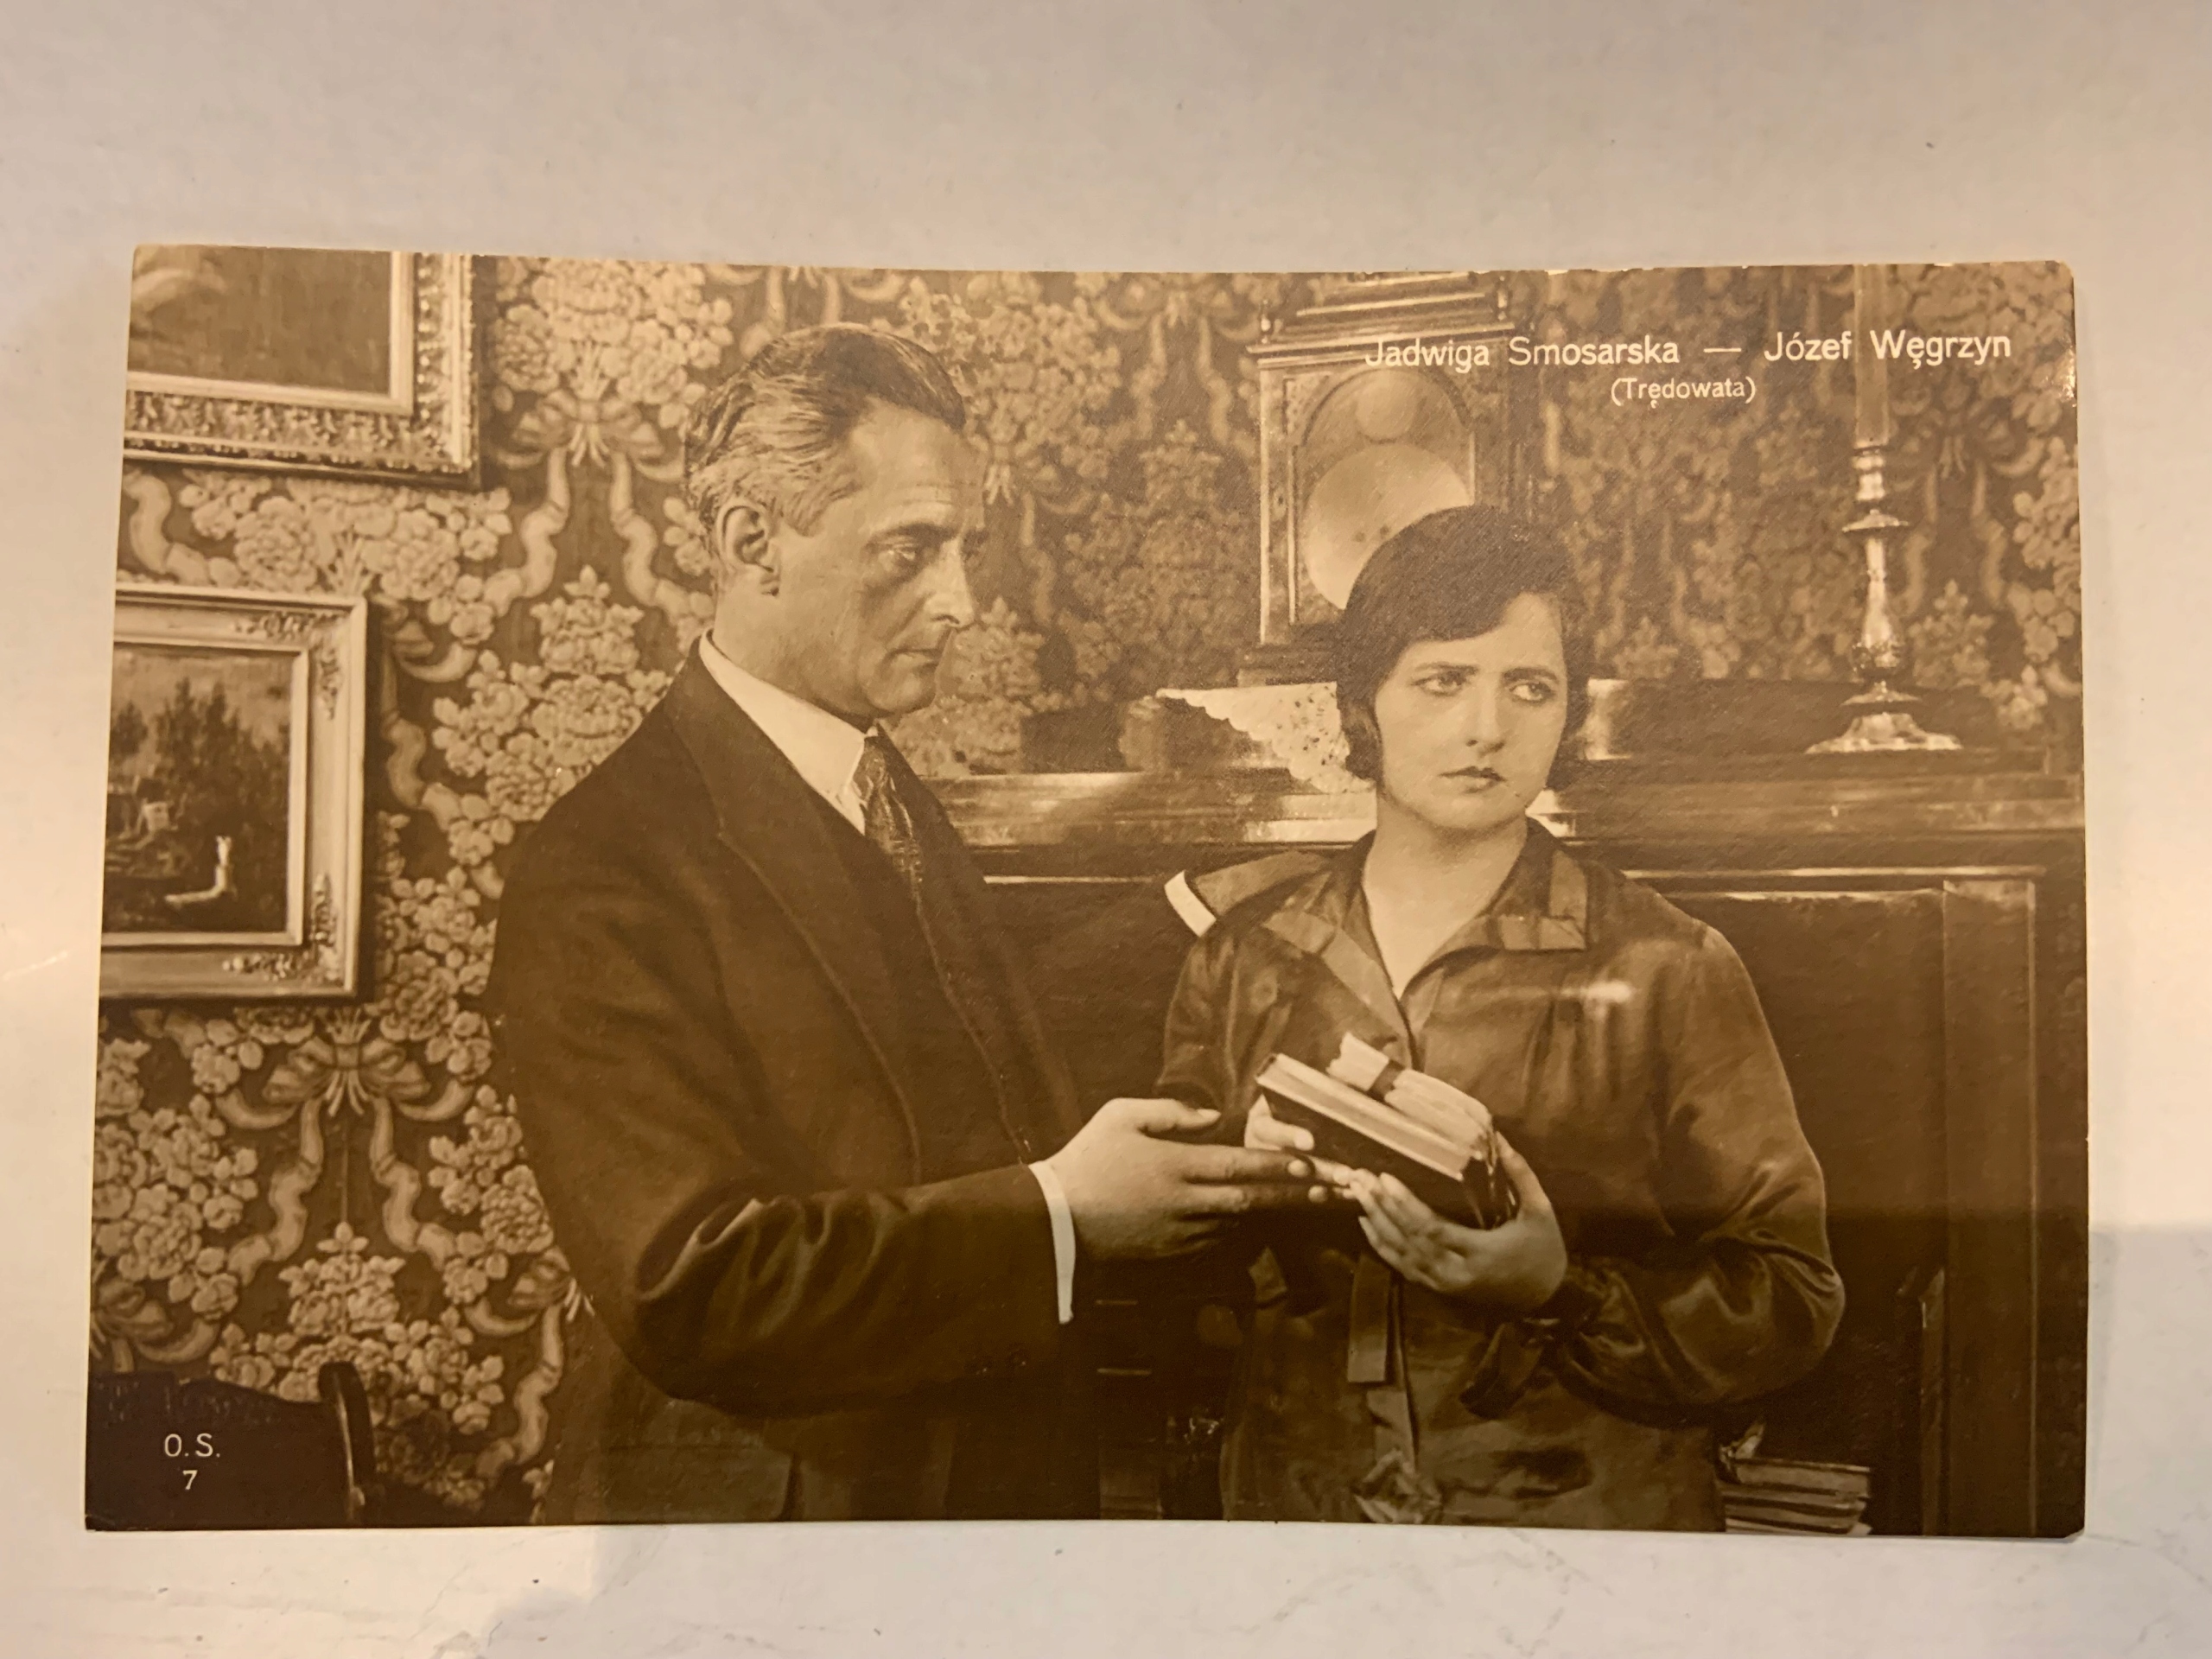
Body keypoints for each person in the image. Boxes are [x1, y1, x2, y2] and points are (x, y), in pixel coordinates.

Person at [488, 324, 1317, 1524]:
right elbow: (695, 1288)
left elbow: (935, 1046)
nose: (962, 602)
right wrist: (1063, 1212)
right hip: (775, 1539)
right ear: (752, 542)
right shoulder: (605, 863)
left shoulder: (875, 783)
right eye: (912, 549)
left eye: (963, 550)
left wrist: (1195, 908)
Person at [1157, 505, 1846, 1529]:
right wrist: (1235, 1186)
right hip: (1300, 1521)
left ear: (1567, 716)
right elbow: (1159, 1275)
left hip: (1578, 1530)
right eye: (1442, 681)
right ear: (1362, 706)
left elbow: (1791, 1298)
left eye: (1530, 688)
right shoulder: (1243, 957)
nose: (1487, 728)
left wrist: (1558, 1287)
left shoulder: (1666, 964)